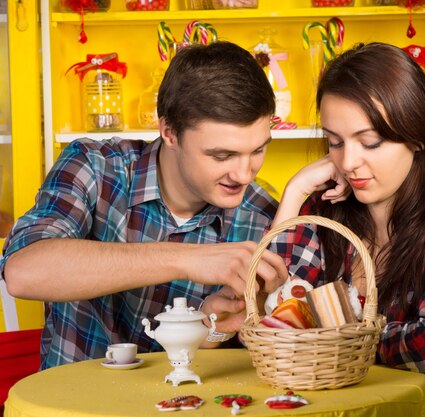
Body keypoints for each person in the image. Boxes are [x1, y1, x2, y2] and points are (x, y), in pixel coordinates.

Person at [0, 41, 288, 369]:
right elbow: (23, 273)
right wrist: (187, 259)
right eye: (221, 155)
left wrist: (209, 330)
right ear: (169, 131)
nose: (243, 173)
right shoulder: (95, 167)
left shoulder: (262, 218)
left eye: (258, 150)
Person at [272, 43, 425, 416]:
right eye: (335, 142)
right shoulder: (323, 212)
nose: (348, 162)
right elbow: (270, 321)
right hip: (349, 406)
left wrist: (327, 333)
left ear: (418, 136)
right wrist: (295, 191)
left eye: (369, 142)